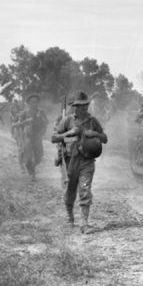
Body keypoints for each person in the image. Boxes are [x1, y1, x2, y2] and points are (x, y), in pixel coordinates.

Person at [51, 91, 107, 234]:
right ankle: (70, 219)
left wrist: (94, 134)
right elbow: (53, 138)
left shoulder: (92, 121)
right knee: (69, 191)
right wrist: (68, 134)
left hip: (86, 161)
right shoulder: (68, 120)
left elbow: (104, 138)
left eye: (85, 105)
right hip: (69, 160)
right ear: (75, 106)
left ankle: (84, 223)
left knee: (85, 188)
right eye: (80, 106)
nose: (83, 108)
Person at [12, 94, 48, 181]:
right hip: (28, 137)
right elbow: (14, 124)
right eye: (32, 102)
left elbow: (46, 122)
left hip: (38, 137)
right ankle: (32, 173)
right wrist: (25, 121)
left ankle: (32, 167)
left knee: (39, 157)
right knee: (28, 158)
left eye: (36, 102)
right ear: (28, 103)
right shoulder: (24, 113)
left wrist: (43, 131)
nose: (34, 104)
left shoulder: (41, 112)